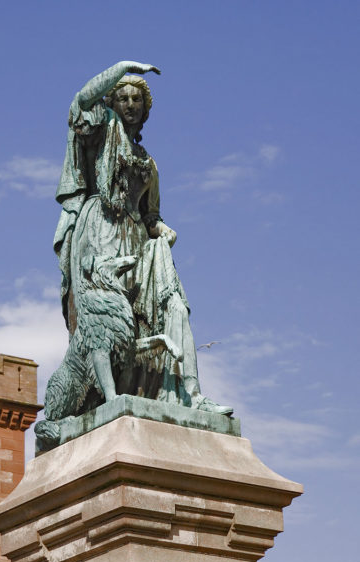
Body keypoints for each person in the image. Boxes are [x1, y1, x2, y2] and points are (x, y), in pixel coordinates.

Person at [51, 60, 232, 416]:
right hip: (98, 232)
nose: (131, 104)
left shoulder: (149, 163)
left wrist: (162, 230)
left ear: (145, 109)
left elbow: (151, 215)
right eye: (123, 98)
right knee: (106, 317)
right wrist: (121, 68)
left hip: (136, 240)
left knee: (171, 308)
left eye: (137, 99)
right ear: (113, 103)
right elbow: (80, 104)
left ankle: (192, 395)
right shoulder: (102, 133)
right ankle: (104, 393)